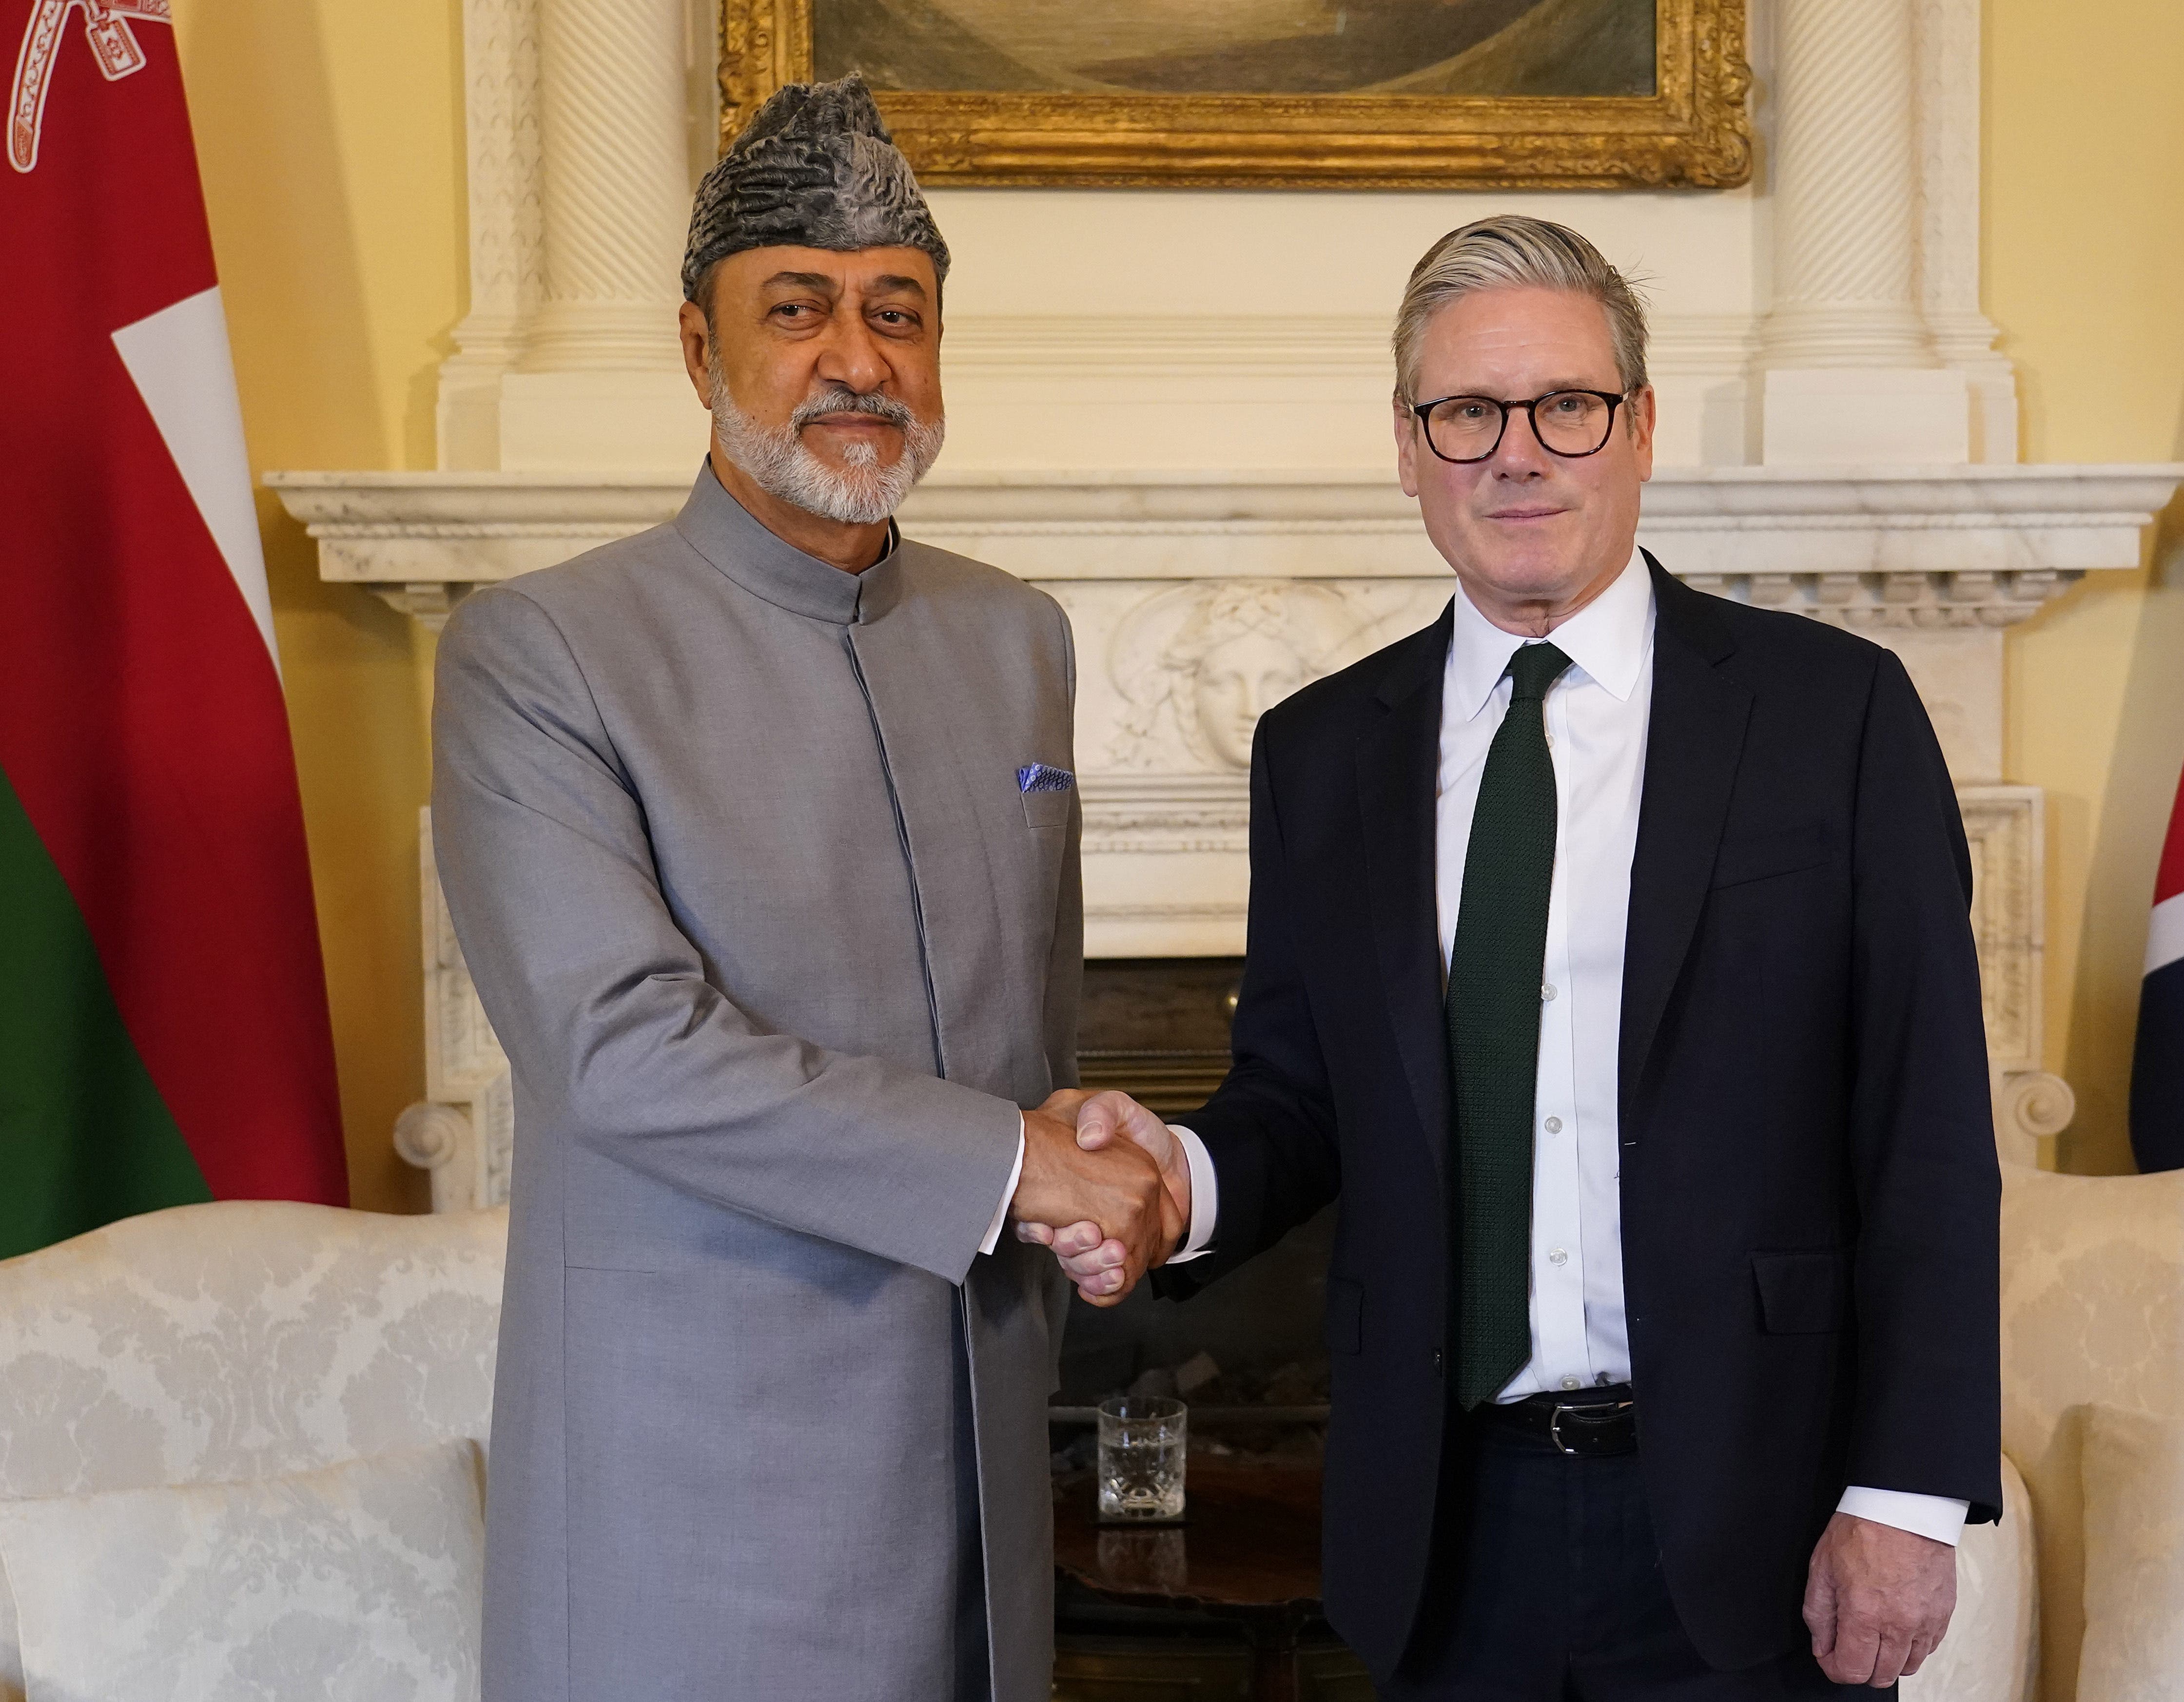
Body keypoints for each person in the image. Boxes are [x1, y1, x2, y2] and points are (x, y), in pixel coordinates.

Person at [1028, 216, 2001, 1698]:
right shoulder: (1321, 753)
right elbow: (1297, 1095)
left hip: (1761, 1518)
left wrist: (1908, 1497)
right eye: (1467, 412)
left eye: (1568, 405)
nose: (1518, 452)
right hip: (1444, 1533)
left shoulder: (1835, 717)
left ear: (1641, 427)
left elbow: (1927, 1127)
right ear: (1410, 449)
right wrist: (1173, 1174)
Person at [433, 77, 1183, 1702]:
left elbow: (1026, 1035)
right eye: (799, 309)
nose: (858, 360)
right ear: (700, 353)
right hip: (696, 1504)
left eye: (897, 314)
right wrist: (1022, 1168)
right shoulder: (544, 649)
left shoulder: (1015, 638)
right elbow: (620, 1051)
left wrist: (1086, 1182)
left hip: (985, 1469)